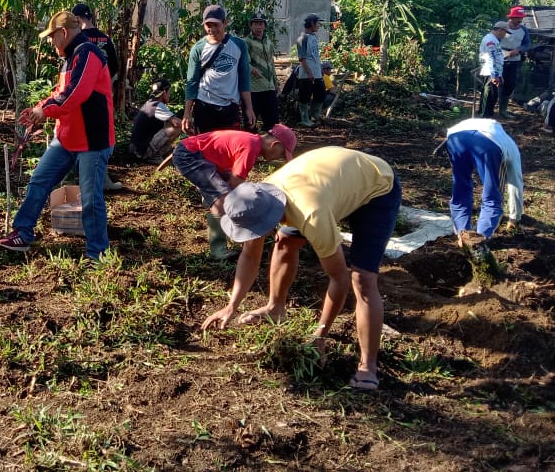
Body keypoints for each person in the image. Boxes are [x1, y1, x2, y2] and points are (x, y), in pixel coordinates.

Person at [203, 146, 402, 392]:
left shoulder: (311, 215)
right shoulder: (255, 198)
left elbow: (338, 278)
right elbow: (250, 255)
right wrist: (232, 305)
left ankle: (367, 365)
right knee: (285, 242)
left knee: (362, 279)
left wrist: (320, 336)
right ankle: (275, 308)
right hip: (329, 182)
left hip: (377, 186)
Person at [0, 10, 115, 260]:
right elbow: (61, 92)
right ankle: (23, 233)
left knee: (91, 198)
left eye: (52, 38)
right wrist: (39, 108)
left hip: (92, 140)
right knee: (39, 181)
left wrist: (45, 111)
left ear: (63, 33)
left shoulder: (88, 54)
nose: (51, 43)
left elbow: (75, 94)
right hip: (67, 137)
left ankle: (98, 253)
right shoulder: (71, 57)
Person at [172, 125, 296, 260]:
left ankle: (211, 201)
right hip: (191, 156)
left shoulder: (252, 142)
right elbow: (237, 184)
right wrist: (256, 214)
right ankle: (217, 250)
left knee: (225, 192)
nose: (279, 157)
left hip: (201, 156)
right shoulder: (250, 147)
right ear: (274, 144)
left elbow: (234, 181)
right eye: (282, 153)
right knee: (222, 200)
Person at [446, 117, 523, 246]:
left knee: (460, 189)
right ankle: (479, 240)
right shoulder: (510, 145)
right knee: (492, 197)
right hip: (488, 144)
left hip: (455, 137)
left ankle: (462, 235)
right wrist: (515, 217)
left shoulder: (494, 132)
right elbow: (516, 183)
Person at [73, 3, 123, 191]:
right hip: (101, 97)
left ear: (76, 19)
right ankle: (102, 179)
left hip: (79, 96)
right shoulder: (104, 38)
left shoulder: (76, 39)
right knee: (100, 137)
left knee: (78, 134)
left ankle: (76, 178)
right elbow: (115, 69)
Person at [182, 5, 254, 135]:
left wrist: (249, 108)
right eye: (208, 25)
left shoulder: (239, 45)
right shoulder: (198, 49)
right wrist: (187, 113)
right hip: (205, 107)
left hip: (230, 108)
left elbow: (244, 78)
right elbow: (192, 82)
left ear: (225, 23)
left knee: (229, 149)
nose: (212, 29)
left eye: (216, 25)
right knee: (206, 150)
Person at [129, 78, 183, 163]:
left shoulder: (149, 103)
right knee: (177, 127)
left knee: (169, 123)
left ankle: (157, 153)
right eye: (169, 92)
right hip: (141, 151)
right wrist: (193, 130)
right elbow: (177, 122)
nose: (169, 95)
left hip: (135, 149)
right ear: (164, 92)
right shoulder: (157, 106)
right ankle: (154, 156)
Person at [245, 12, 280, 131]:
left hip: (269, 87)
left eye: (261, 24)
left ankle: (271, 148)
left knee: (273, 123)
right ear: (251, 26)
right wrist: (252, 69)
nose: (258, 27)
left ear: (265, 26)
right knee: (251, 124)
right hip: (253, 88)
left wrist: (275, 81)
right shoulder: (246, 42)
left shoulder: (269, 42)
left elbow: (271, 63)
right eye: (255, 24)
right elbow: (244, 62)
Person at [498, 5, 531, 118]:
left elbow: (527, 44)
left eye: (521, 18)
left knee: (510, 83)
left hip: (514, 60)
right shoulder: (503, 26)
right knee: (497, 83)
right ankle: (489, 109)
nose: (520, 20)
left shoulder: (523, 29)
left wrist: (519, 50)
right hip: (500, 58)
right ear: (512, 17)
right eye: (518, 17)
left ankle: (503, 110)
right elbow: (494, 40)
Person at [296, 13, 326, 127]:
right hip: (306, 74)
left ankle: (315, 115)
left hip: (317, 72)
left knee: (321, 93)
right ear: (312, 23)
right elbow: (302, 58)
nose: (319, 25)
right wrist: (308, 72)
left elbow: (315, 55)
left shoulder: (313, 37)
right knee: (305, 96)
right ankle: (304, 118)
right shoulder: (302, 38)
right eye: (317, 23)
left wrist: (320, 68)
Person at [478, 21, 508, 119]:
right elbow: (490, 57)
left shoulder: (494, 40)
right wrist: (494, 75)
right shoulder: (490, 40)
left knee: (493, 96)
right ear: (500, 30)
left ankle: (488, 115)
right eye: (505, 32)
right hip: (490, 72)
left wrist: (499, 74)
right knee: (488, 95)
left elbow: (498, 58)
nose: (505, 35)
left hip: (494, 72)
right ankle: (483, 116)